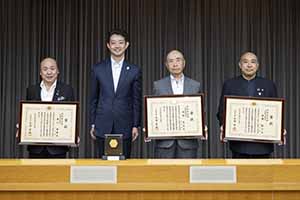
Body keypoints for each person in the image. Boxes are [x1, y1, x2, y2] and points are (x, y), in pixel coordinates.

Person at [217, 51, 285, 158]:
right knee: (240, 173)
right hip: (239, 143)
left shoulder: (268, 85)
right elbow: (222, 110)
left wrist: (279, 129)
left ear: (257, 66)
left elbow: (276, 112)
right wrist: (224, 126)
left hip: (263, 144)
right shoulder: (230, 84)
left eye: (253, 62)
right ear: (240, 65)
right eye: (245, 62)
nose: (249, 65)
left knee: (263, 174)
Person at [90, 29, 142, 159]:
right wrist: (92, 123)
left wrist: (135, 125)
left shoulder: (134, 70)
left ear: (126, 45)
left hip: (125, 124)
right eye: (113, 43)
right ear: (108, 45)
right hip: (102, 124)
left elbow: (136, 100)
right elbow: (93, 99)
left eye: (120, 42)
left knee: (124, 166)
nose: (117, 46)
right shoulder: (98, 69)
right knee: (103, 165)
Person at [152, 50, 207, 158]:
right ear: (166, 65)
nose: (175, 64)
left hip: (188, 143)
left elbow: (200, 111)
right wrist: (151, 127)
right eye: (171, 61)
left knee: (186, 174)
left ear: (184, 63)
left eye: (178, 60)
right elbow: (153, 111)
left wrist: (202, 126)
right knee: (164, 174)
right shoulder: (158, 85)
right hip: (165, 143)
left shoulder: (195, 85)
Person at [18, 57, 75, 158]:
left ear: (57, 71)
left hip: (58, 148)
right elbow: (27, 114)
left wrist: (74, 132)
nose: (49, 72)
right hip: (36, 147)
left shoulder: (67, 90)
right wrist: (22, 127)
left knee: (58, 174)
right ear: (40, 72)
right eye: (45, 69)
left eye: (52, 69)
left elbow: (72, 116)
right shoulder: (32, 90)